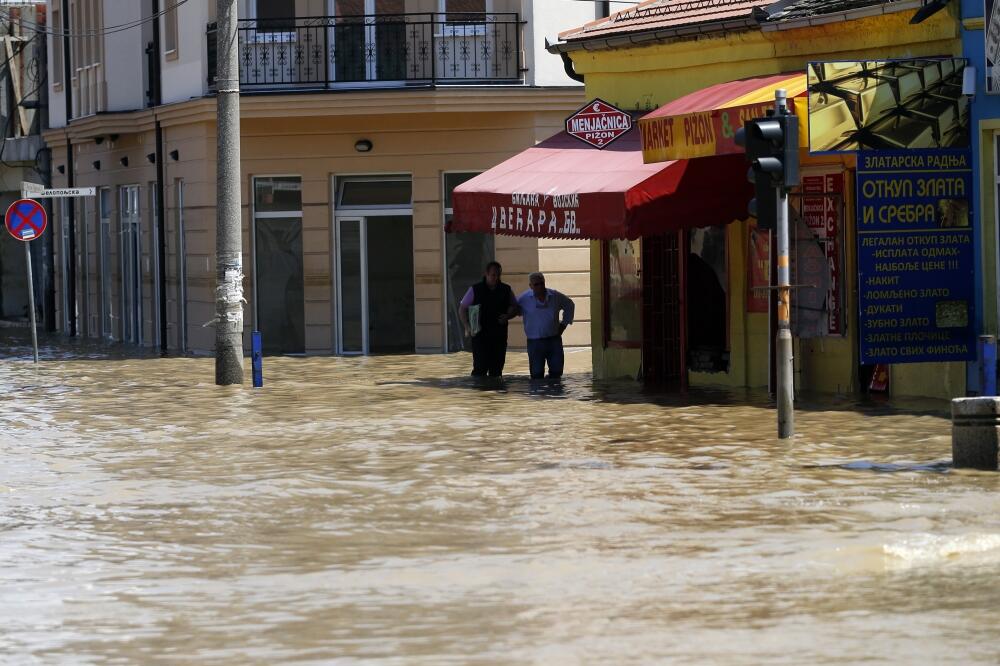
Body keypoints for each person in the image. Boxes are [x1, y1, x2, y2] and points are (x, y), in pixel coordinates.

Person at [459, 261, 518, 377]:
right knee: (480, 369)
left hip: (499, 336)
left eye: (498, 275)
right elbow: (462, 308)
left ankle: (495, 388)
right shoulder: (475, 289)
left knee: (496, 370)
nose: (496, 278)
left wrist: (508, 316)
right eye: (493, 275)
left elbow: (515, 307)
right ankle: (480, 388)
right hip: (480, 336)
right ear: (486, 274)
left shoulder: (506, 289)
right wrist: (467, 326)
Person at [516, 271, 575, 380]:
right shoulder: (523, 299)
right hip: (534, 342)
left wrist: (564, 324)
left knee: (557, 374)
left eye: (541, 283)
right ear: (530, 286)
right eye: (536, 284)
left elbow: (570, 305)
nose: (540, 286)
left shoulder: (555, 296)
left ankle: (554, 390)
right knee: (536, 375)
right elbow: (512, 308)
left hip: (554, 340)